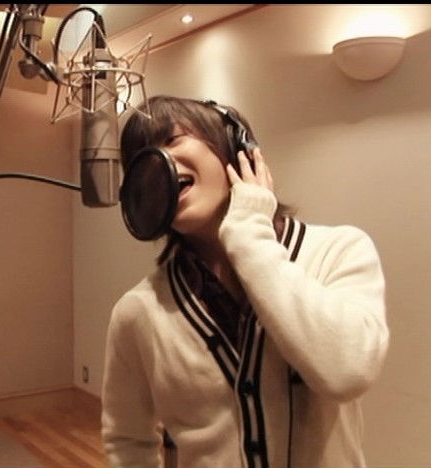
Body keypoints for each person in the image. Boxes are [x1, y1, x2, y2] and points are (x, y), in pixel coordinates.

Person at [101, 95, 389, 468]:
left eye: (172, 139)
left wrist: (249, 235)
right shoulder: (137, 313)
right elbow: (126, 441)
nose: (159, 164)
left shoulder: (339, 251)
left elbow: (347, 372)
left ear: (239, 151)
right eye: (143, 158)